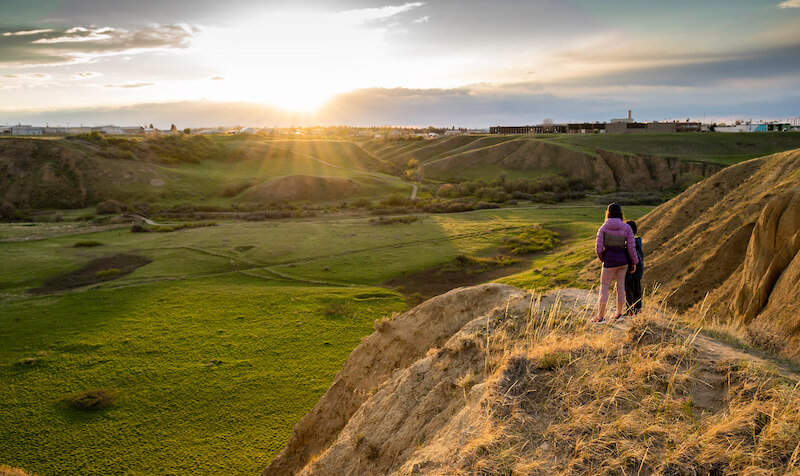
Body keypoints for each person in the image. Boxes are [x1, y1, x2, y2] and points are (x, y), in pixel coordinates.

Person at [592, 203, 638, 322]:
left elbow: (598, 248)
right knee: (621, 287)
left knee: (604, 288)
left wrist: (603, 258)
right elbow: (631, 248)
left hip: (609, 262)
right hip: (623, 262)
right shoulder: (627, 228)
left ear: (608, 213)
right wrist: (634, 262)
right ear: (621, 214)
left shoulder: (603, 228)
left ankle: (600, 316)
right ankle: (618, 313)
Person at [625, 220, 644, 315]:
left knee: (628, 289)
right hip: (639, 268)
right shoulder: (638, 241)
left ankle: (630, 310)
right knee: (637, 289)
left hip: (630, 268)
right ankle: (638, 309)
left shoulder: (628, 242)